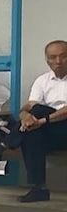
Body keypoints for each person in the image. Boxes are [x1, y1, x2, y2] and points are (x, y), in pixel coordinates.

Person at [14, 40, 67, 202]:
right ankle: (39, 189)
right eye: (53, 57)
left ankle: (3, 145)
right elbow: (30, 105)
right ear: (47, 60)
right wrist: (23, 115)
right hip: (50, 131)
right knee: (31, 132)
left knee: (37, 114)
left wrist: (41, 120)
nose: (58, 61)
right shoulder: (42, 80)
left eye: (63, 56)